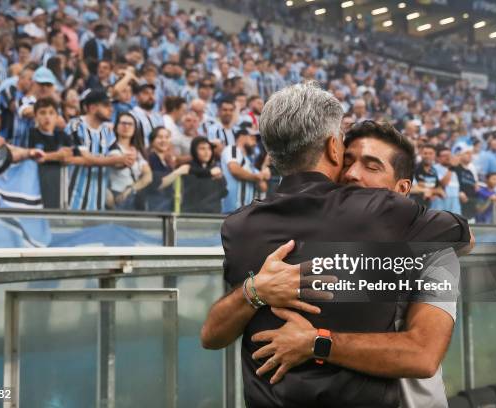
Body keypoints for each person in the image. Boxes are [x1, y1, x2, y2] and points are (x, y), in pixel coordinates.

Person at [201, 83, 472, 408]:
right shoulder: (376, 217)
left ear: (402, 189)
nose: (354, 174)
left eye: (372, 166)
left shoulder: (239, 226)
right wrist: (254, 291)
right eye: (349, 160)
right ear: (334, 150)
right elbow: (212, 334)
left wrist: (317, 342)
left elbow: (423, 355)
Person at [65, 89, 132, 211]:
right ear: (92, 108)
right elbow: (86, 159)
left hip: (97, 204)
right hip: (73, 201)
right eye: (106, 105)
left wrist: (126, 160)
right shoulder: (75, 125)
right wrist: (118, 159)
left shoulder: (107, 131)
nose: (111, 109)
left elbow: (117, 160)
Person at [28, 97, 74, 209]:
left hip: (57, 184)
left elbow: (67, 155)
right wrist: (57, 155)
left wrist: (46, 157)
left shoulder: (63, 136)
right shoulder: (31, 134)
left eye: (51, 113)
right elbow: (32, 155)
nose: (47, 117)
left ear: (57, 117)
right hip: (36, 184)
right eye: (42, 113)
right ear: (35, 116)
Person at [106, 112, 152, 210]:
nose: (126, 127)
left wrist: (130, 189)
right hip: (117, 195)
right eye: (123, 123)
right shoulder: (111, 148)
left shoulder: (138, 150)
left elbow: (148, 176)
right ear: (116, 126)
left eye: (130, 124)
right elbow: (119, 164)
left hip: (133, 195)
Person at [220, 126, 268, 213]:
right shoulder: (232, 149)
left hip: (244, 211)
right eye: (252, 138)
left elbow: (263, 187)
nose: (255, 143)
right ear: (242, 137)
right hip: (232, 209)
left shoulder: (249, 162)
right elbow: (234, 169)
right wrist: (257, 177)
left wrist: (264, 169)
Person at [145, 126, 189, 212]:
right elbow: (157, 184)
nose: (164, 140)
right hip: (155, 207)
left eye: (167, 137)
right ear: (152, 140)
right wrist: (179, 172)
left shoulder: (166, 161)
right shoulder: (151, 158)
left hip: (166, 206)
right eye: (160, 137)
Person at [182, 136, 227, 213]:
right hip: (192, 216)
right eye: (202, 148)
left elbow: (224, 192)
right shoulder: (188, 168)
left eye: (209, 149)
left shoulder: (214, 168)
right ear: (194, 151)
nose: (207, 152)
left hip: (213, 215)